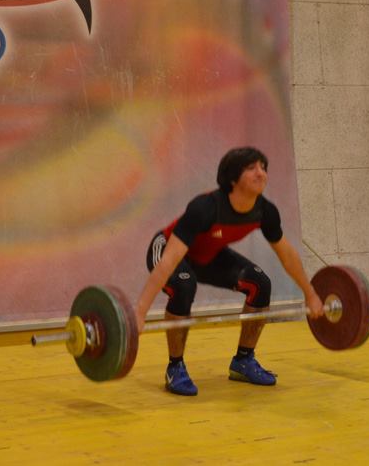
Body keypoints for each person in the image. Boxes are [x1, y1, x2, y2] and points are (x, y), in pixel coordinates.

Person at [135, 146, 324, 396]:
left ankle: (243, 361)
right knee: (183, 285)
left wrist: (310, 294)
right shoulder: (205, 207)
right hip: (168, 249)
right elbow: (169, 260)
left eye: (263, 167)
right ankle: (175, 366)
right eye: (251, 168)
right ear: (233, 178)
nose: (261, 173)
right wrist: (139, 312)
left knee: (259, 283)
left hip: (209, 255)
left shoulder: (265, 211)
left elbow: (287, 255)